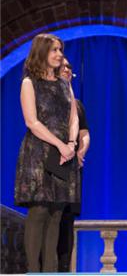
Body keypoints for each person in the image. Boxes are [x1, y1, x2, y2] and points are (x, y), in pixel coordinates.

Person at [14, 33, 80, 272]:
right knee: (40, 210)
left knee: (56, 213)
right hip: (39, 153)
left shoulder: (65, 84)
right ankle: (34, 270)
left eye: (60, 50)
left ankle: (50, 271)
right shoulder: (29, 83)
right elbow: (32, 122)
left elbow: (73, 117)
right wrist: (60, 145)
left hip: (64, 153)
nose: (59, 54)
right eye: (54, 50)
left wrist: (71, 143)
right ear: (41, 52)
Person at [56, 58, 90, 272]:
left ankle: (63, 269)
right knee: (51, 218)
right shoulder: (44, 98)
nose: (67, 69)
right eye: (63, 66)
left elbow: (84, 133)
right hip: (52, 163)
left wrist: (81, 151)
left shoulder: (76, 104)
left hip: (71, 168)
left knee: (67, 221)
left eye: (69, 66)